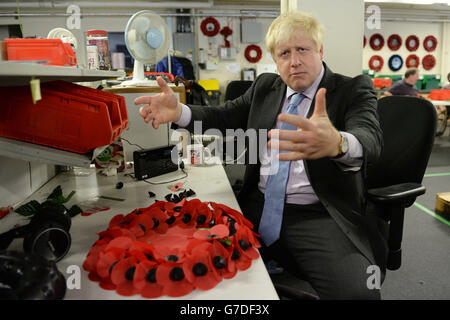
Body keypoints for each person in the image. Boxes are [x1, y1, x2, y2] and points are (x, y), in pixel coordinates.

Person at [134, 10, 386, 300]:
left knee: (359, 295)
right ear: (275, 60)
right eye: (284, 53)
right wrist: (179, 111)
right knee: (188, 271)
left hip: (317, 214)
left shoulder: (352, 88)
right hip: (256, 205)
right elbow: (224, 116)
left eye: (303, 50)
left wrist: (339, 143)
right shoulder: (266, 86)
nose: (294, 61)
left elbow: (371, 138)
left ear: (320, 50)